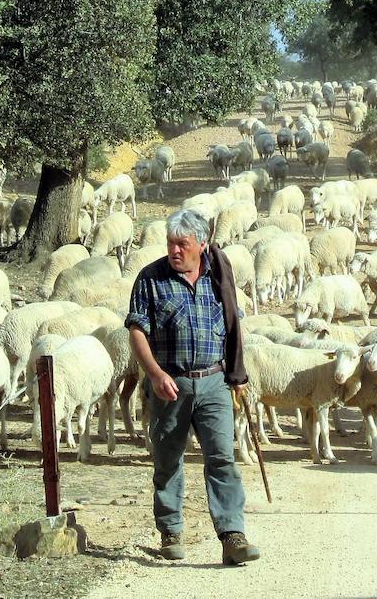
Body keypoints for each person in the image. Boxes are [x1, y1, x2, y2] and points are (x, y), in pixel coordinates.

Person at [126, 207, 261, 566]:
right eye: (170, 243)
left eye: (182, 244)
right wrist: (154, 374)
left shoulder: (219, 278)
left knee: (222, 459)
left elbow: (234, 325)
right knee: (168, 459)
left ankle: (232, 534)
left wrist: (236, 372)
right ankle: (170, 530)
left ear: (201, 244)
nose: (174, 251)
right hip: (171, 383)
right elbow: (137, 331)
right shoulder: (150, 279)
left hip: (214, 381)